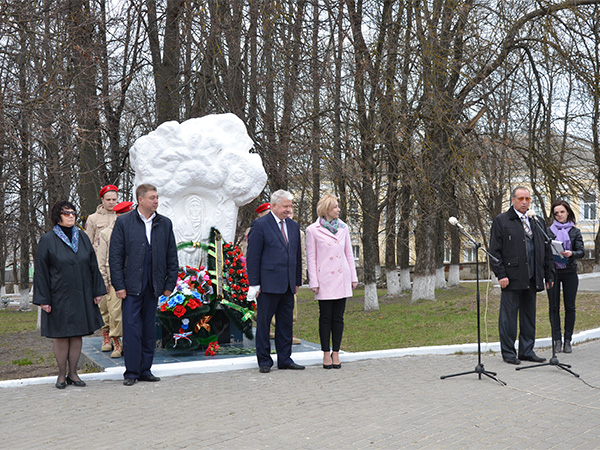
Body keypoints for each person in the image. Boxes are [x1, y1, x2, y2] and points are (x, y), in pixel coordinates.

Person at [109, 184, 179, 386]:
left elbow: (171, 256)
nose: (156, 201)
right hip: (131, 285)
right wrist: (119, 285)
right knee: (131, 330)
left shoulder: (164, 223)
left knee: (149, 329)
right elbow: (115, 256)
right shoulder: (124, 222)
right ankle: (131, 372)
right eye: (152, 198)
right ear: (140, 200)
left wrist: (169, 283)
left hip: (153, 285)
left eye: (157, 197)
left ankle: (145, 370)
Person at [33, 201, 106, 389]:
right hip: (58, 296)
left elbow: (92, 264)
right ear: (58, 217)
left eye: (73, 213)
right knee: (61, 335)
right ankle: (60, 375)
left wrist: (97, 290)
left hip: (81, 293)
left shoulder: (81, 237)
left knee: (76, 335)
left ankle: (73, 373)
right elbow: (40, 271)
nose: (71, 216)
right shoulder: (48, 240)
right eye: (66, 213)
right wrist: (43, 299)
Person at [489, 186, 554, 365]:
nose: (524, 202)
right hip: (511, 277)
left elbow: (546, 250)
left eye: (527, 199)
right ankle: (509, 352)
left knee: (528, 316)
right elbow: (494, 252)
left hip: (532, 277)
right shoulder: (502, 221)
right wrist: (501, 274)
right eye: (521, 199)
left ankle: (526, 351)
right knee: (508, 317)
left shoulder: (537, 221)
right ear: (513, 200)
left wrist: (548, 276)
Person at [246, 190, 304, 373]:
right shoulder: (260, 225)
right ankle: (264, 361)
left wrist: (297, 280)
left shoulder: (293, 227)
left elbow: (296, 255)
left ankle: (285, 358)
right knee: (263, 324)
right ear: (274, 206)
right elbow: (253, 257)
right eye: (286, 206)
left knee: (285, 324)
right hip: (267, 284)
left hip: (287, 284)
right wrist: (254, 284)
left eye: (290, 206)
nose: (289, 209)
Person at [306, 194, 358, 369]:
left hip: (342, 277)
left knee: (338, 318)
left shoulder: (344, 227)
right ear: (326, 209)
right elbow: (311, 258)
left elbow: (349, 253)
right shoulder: (312, 230)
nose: (338, 209)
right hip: (325, 279)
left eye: (338, 206)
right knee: (325, 317)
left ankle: (336, 352)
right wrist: (314, 281)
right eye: (335, 207)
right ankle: (326, 353)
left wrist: (353, 276)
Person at [96, 201, 134, 358]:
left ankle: (129, 341)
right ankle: (116, 341)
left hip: (132, 278)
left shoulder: (136, 231)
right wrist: (104, 281)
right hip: (113, 279)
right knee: (114, 312)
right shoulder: (106, 233)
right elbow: (102, 260)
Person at [547, 200, 584, 354]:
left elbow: (581, 252)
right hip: (553, 273)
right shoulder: (549, 231)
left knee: (570, 307)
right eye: (556, 213)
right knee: (553, 307)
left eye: (562, 212)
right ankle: (557, 340)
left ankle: (568, 340)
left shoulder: (575, 232)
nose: (559, 215)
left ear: (567, 212)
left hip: (569, 272)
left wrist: (571, 254)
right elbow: (544, 254)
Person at [85, 184, 119, 352]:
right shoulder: (93, 219)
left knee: (117, 306)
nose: (112, 203)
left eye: (114, 199)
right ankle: (106, 335)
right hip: (100, 266)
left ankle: (117, 337)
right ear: (102, 200)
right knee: (104, 304)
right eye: (108, 200)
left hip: (117, 267)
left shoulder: (122, 216)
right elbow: (87, 243)